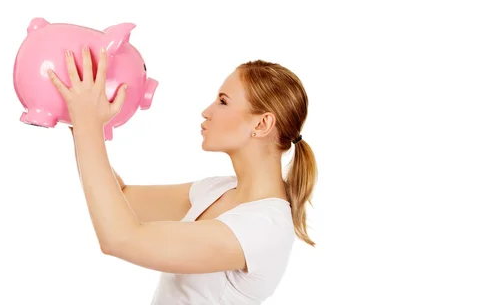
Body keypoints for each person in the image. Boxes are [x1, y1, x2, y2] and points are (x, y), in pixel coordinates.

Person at [48, 46, 318, 304]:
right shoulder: (217, 191)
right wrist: (77, 121)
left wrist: (88, 126)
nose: (207, 111)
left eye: (223, 101)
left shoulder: (264, 226)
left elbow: (121, 239)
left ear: (262, 123)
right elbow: (122, 197)